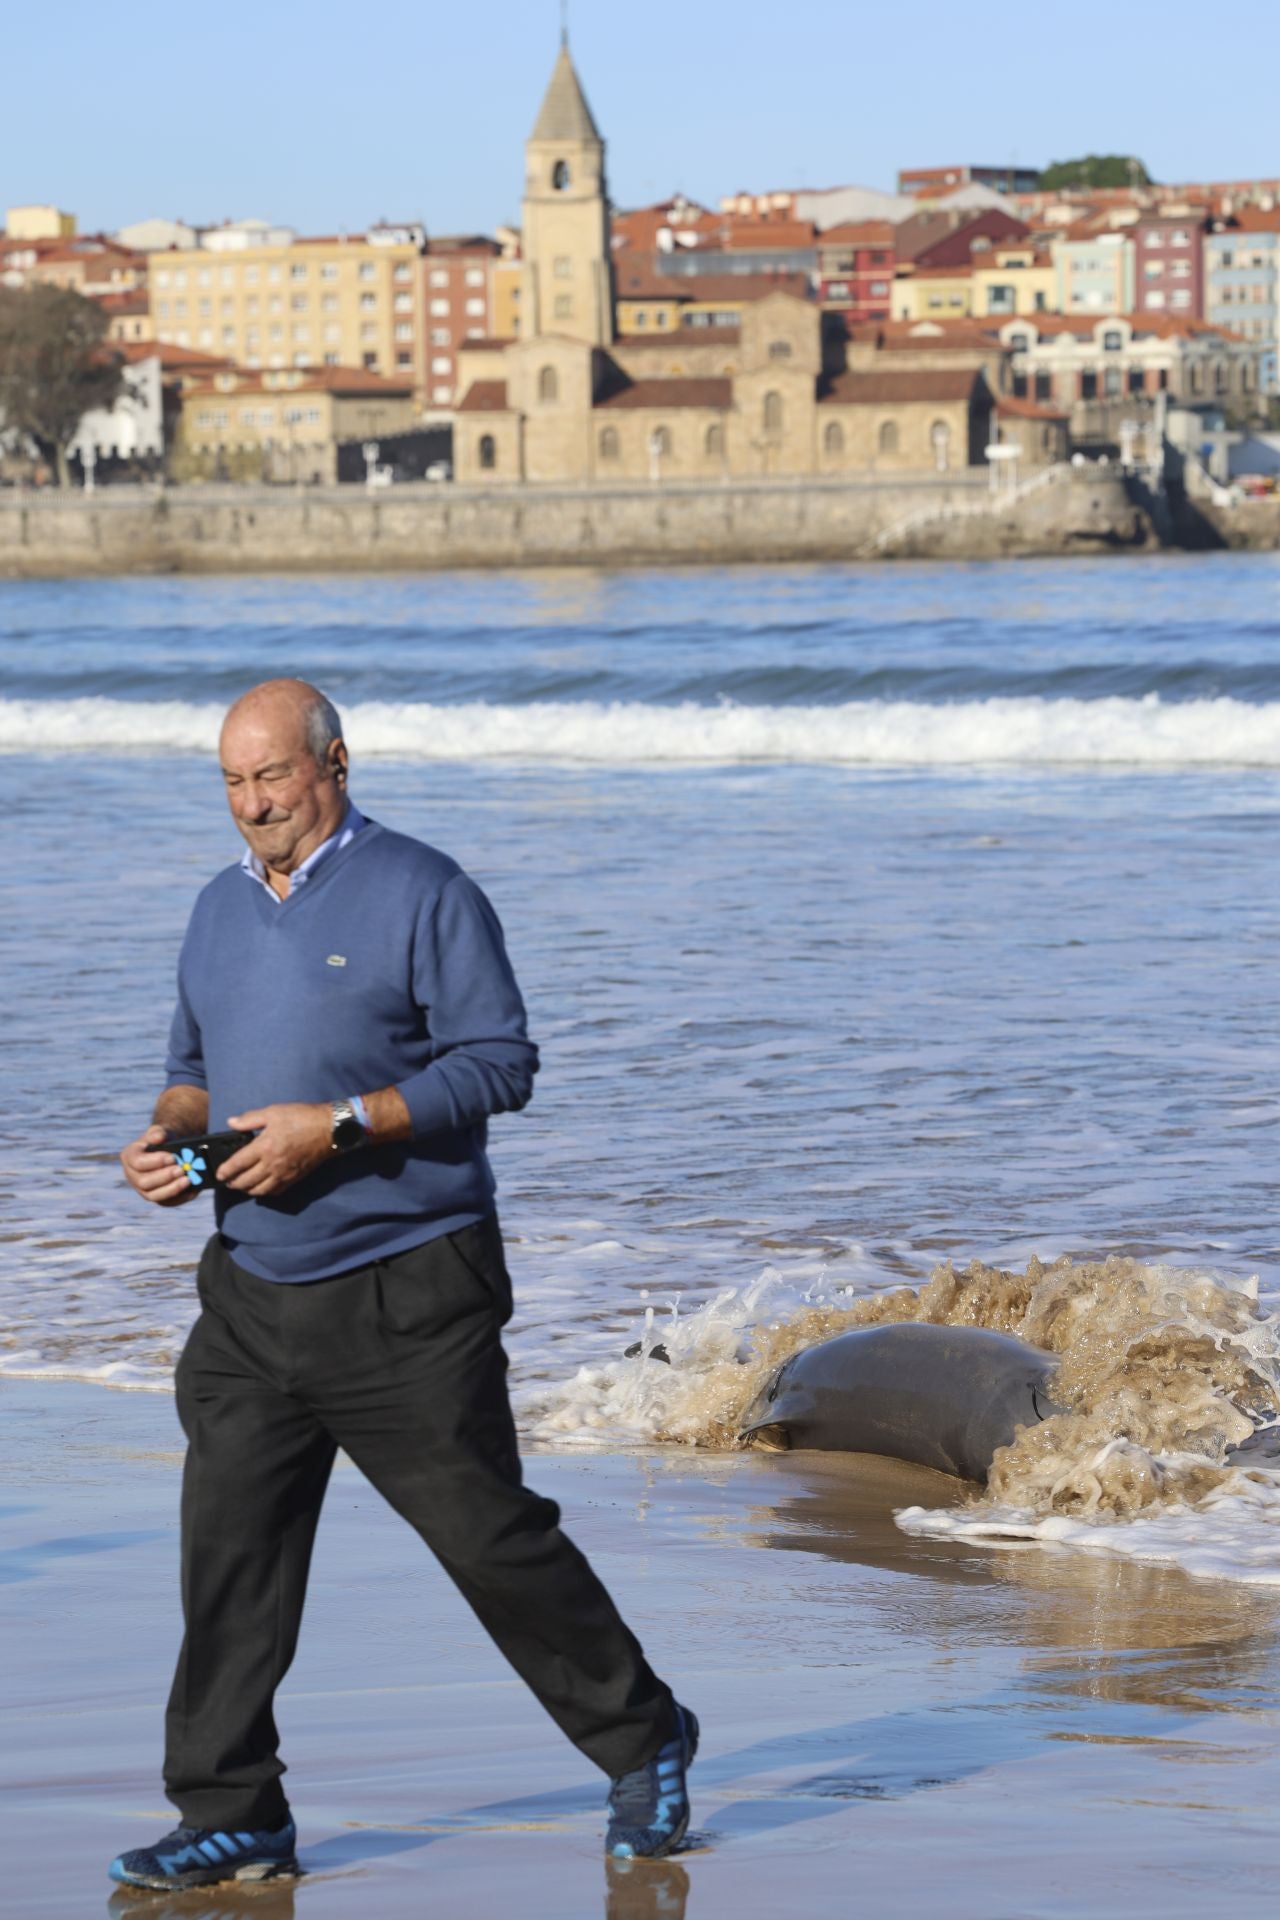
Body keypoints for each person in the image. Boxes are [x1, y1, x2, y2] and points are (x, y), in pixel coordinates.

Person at [110, 678, 697, 1893]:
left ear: (334, 762)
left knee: (488, 1540)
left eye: (272, 775)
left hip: (407, 1289)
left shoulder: (426, 890)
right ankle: (234, 1813)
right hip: (250, 1293)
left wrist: (338, 1127)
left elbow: (500, 1066)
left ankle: (644, 1740)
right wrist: (173, 1137)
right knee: (228, 1560)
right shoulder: (217, 910)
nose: (252, 804)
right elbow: (188, 1068)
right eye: (231, 781)